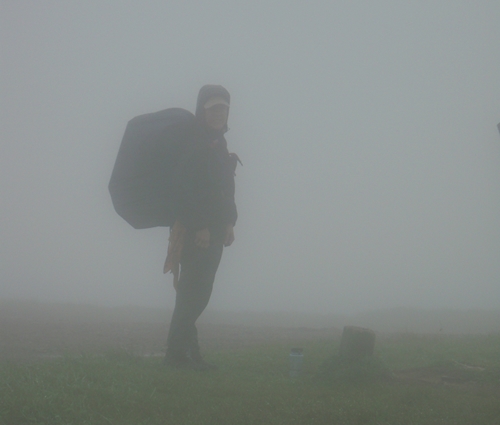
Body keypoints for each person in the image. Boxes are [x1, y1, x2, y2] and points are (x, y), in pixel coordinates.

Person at [164, 85, 239, 370]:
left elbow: (225, 188)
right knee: (194, 294)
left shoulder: (218, 143)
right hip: (199, 232)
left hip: (216, 229)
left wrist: (230, 222)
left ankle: (187, 353)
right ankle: (176, 355)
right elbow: (183, 190)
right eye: (213, 108)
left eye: (223, 108)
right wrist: (201, 226)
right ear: (202, 111)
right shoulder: (194, 143)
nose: (219, 113)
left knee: (197, 293)